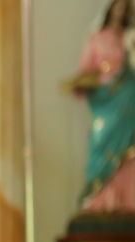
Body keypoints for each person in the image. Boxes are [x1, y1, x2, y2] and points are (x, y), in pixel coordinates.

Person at [69, 0, 135, 211]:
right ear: (110, 8)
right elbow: (85, 72)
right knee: (102, 144)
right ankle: (98, 197)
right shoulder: (97, 39)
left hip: (128, 101)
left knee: (128, 150)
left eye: (125, 7)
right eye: (118, 6)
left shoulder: (129, 38)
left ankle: (126, 199)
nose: (120, 11)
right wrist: (83, 83)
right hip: (106, 103)